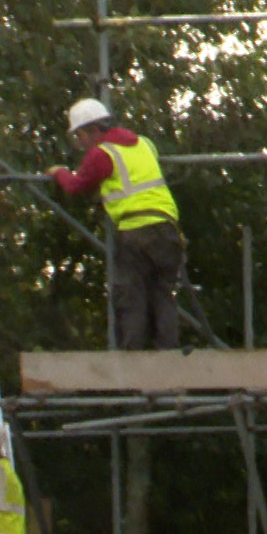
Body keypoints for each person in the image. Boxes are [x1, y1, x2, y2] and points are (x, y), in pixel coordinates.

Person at [49, 98, 186, 350]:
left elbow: (76, 186)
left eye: (79, 136)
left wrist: (59, 172)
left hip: (136, 231)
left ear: (91, 130)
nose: (79, 143)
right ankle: (169, 362)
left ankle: (132, 367)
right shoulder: (145, 144)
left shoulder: (101, 154)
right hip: (167, 229)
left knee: (132, 298)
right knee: (163, 295)